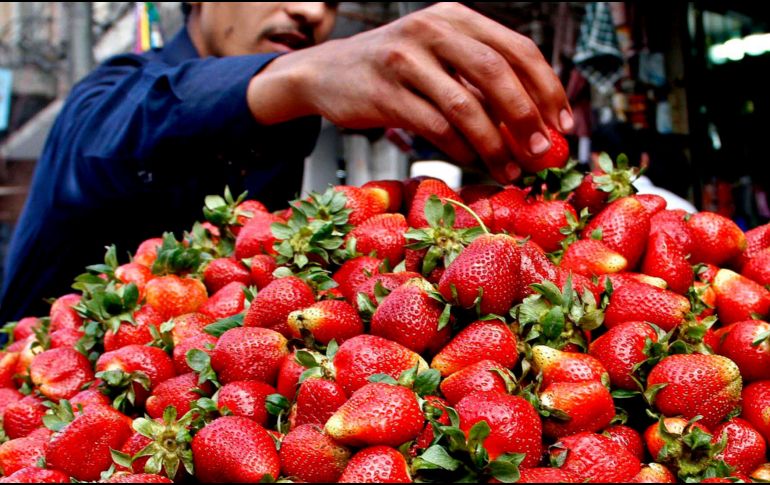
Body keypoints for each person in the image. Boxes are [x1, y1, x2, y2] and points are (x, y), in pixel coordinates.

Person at [0, 2, 573, 324]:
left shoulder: (291, 122)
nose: (310, 12)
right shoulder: (108, 92)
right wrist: (301, 76)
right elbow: (107, 133)